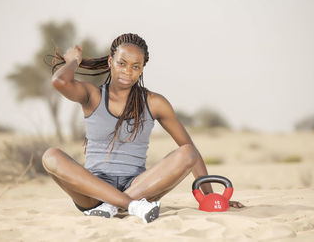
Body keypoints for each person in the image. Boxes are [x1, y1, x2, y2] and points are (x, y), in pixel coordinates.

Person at [42, 33, 244, 224]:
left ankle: (114, 205)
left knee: (188, 152)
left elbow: (189, 150)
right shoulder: (92, 95)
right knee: (51, 156)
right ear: (110, 62)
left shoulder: (154, 102)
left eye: (135, 66)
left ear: (142, 69)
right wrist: (73, 60)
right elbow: (60, 81)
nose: (128, 72)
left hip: (139, 187)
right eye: (122, 64)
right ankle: (128, 205)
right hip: (93, 192)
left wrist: (209, 197)